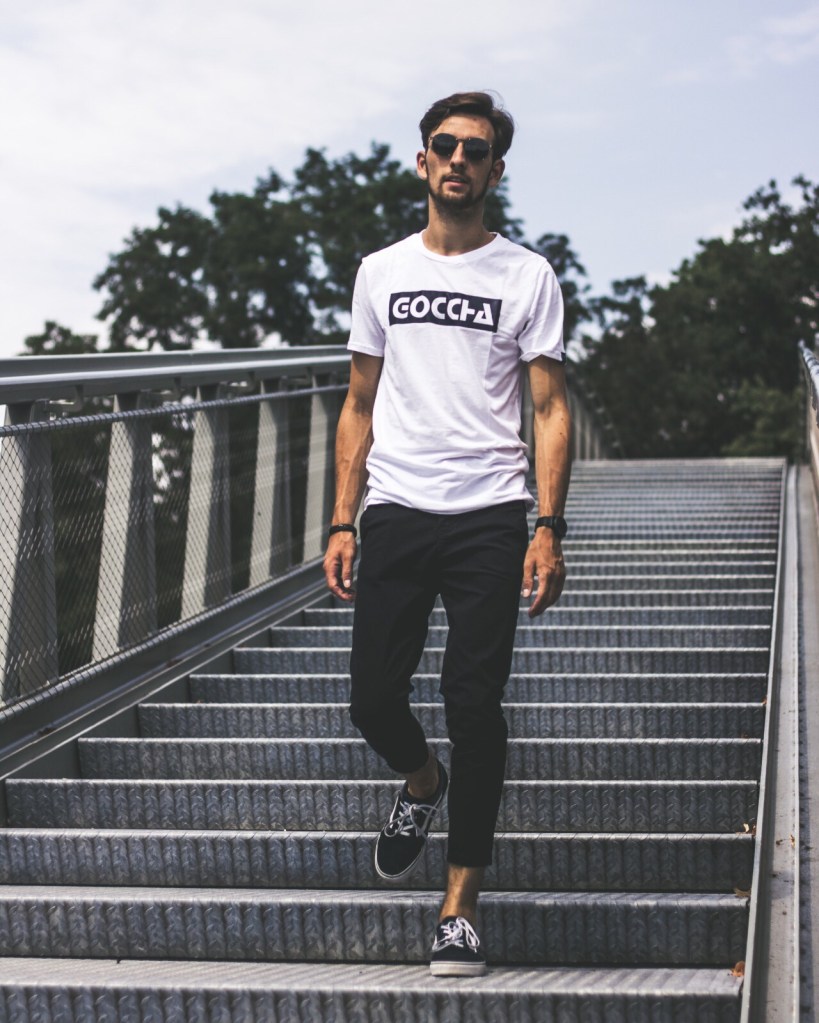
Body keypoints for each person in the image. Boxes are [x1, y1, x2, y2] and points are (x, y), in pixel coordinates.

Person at [323, 90, 572, 977]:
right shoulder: (380, 271)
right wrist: (342, 516)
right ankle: (421, 779)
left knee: (473, 701)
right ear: (423, 160)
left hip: (489, 512)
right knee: (371, 699)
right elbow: (358, 401)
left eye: (475, 148)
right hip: (396, 506)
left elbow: (548, 408)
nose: (458, 158)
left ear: (495, 169)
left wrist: (547, 524)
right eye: (445, 145)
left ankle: (459, 904)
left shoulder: (526, 276)